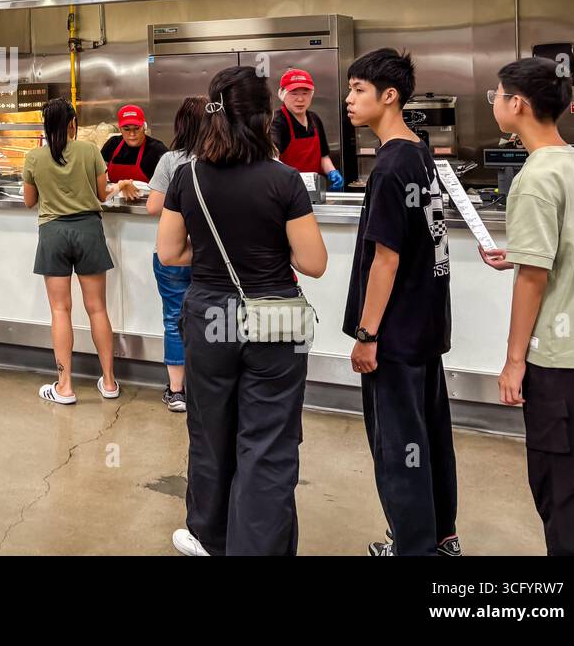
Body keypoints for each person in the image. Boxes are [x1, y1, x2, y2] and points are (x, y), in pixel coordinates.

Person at [158, 65, 326, 556]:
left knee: (211, 432)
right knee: (268, 442)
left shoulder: (187, 176)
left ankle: (210, 536)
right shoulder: (285, 180)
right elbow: (313, 263)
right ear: (263, 118)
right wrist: (271, 252)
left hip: (209, 316)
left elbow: (169, 252)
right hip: (273, 319)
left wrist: (210, 257)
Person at [479, 57, 574, 557]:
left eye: (497, 93)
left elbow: (534, 278)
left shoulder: (534, 178)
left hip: (555, 354)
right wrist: (516, 254)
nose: (494, 101)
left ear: (518, 104)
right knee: (569, 473)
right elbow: (568, 251)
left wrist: (515, 360)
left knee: (557, 486)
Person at [343, 49, 460, 558]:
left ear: (389, 96)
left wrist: (368, 335)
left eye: (359, 90)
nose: (348, 100)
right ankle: (441, 536)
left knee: (398, 447)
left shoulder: (390, 167)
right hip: (426, 327)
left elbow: (384, 262)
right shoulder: (419, 153)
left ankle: (413, 547)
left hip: (394, 335)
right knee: (430, 435)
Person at [22, 97, 117, 404]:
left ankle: (65, 386)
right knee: (97, 308)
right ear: (73, 124)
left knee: (60, 310)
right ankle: (110, 382)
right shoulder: (90, 151)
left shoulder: (34, 157)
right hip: (89, 230)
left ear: (46, 126)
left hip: (53, 233)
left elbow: (28, 201)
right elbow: (102, 194)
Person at [146, 97, 207, 411]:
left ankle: (177, 391)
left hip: (171, 254)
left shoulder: (171, 160)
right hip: (207, 254)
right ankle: (205, 387)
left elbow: (154, 206)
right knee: (210, 317)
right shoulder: (219, 158)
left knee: (174, 319)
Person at [271, 68, 345, 190]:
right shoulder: (277, 121)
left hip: (313, 189)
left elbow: (323, 156)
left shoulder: (314, 119)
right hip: (286, 189)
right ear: (282, 94)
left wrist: (332, 172)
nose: (300, 99)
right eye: (294, 93)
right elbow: (273, 157)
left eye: (305, 93)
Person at [101, 104, 169, 202]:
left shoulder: (156, 149)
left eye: (136, 128)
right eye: (127, 129)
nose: (132, 134)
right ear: (120, 129)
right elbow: (97, 175)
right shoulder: (113, 144)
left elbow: (171, 184)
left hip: (147, 208)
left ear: (144, 127)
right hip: (114, 207)